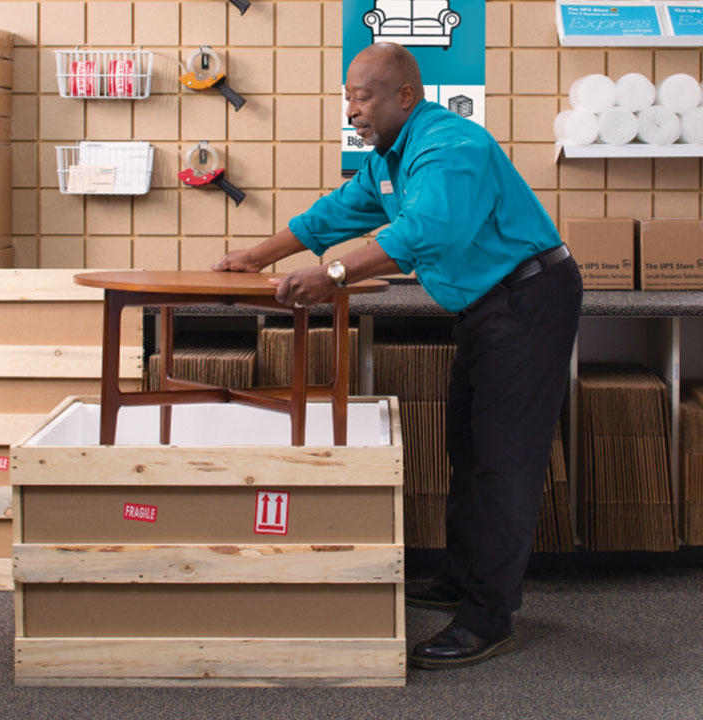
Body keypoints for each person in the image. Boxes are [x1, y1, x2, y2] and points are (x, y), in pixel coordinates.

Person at [212, 42, 582, 670]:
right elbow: (334, 213)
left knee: (502, 457)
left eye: (363, 96)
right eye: (347, 96)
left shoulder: (449, 145)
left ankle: (488, 617)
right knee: (465, 444)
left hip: (527, 298)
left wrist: (331, 274)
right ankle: (463, 580)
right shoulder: (389, 159)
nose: (351, 109)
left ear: (405, 96)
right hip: (485, 307)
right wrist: (258, 254)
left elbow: (430, 230)